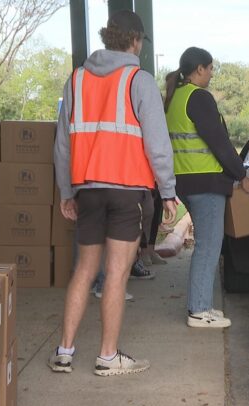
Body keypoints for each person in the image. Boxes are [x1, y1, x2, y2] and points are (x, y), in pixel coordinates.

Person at [51, 10, 177, 377]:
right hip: (126, 192)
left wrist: (66, 191)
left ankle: (64, 350)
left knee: (84, 270)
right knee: (117, 273)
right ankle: (107, 356)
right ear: (135, 41)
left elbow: (62, 145)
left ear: (108, 38)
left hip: (87, 190)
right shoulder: (139, 80)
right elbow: (158, 144)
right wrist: (167, 191)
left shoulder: (75, 81)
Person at [164, 47, 249, 328]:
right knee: (208, 246)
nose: (212, 73)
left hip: (184, 179)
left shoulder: (175, 97)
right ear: (199, 69)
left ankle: (201, 304)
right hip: (205, 181)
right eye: (211, 68)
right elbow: (219, 143)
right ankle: (199, 309)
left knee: (205, 245)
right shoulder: (199, 97)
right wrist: (242, 175)